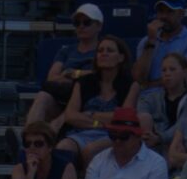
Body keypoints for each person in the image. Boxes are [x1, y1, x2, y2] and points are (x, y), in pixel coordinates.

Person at [24, 2, 106, 130]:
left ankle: (45, 137)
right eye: (77, 23)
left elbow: (102, 75)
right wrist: (83, 76)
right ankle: (28, 138)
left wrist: (74, 73)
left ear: (99, 26)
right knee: (42, 97)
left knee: (75, 103)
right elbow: (52, 78)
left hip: (89, 98)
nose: (81, 26)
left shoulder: (103, 49)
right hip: (64, 95)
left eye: (86, 22)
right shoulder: (66, 50)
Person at [58, 33, 136, 161]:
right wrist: (100, 123)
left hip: (113, 135)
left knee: (91, 150)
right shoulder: (83, 82)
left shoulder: (131, 84)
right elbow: (70, 115)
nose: (104, 53)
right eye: (100, 51)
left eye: (109, 50)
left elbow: (124, 118)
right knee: (63, 148)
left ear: (121, 57)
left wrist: (90, 114)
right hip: (81, 133)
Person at [135, 0, 187, 83]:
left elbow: (182, 80)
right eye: (161, 11)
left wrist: (148, 86)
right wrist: (151, 41)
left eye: (170, 11)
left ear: (181, 14)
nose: (164, 16)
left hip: (180, 96)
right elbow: (139, 78)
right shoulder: (146, 41)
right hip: (147, 97)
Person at [136, 52, 187, 154]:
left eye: (172, 69)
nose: (167, 73)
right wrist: (152, 136)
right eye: (164, 70)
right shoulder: (149, 98)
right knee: (144, 117)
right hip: (151, 142)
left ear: (185, 72)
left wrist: (160, 137)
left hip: (180, 144)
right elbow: (141, 114)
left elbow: (182, 125)